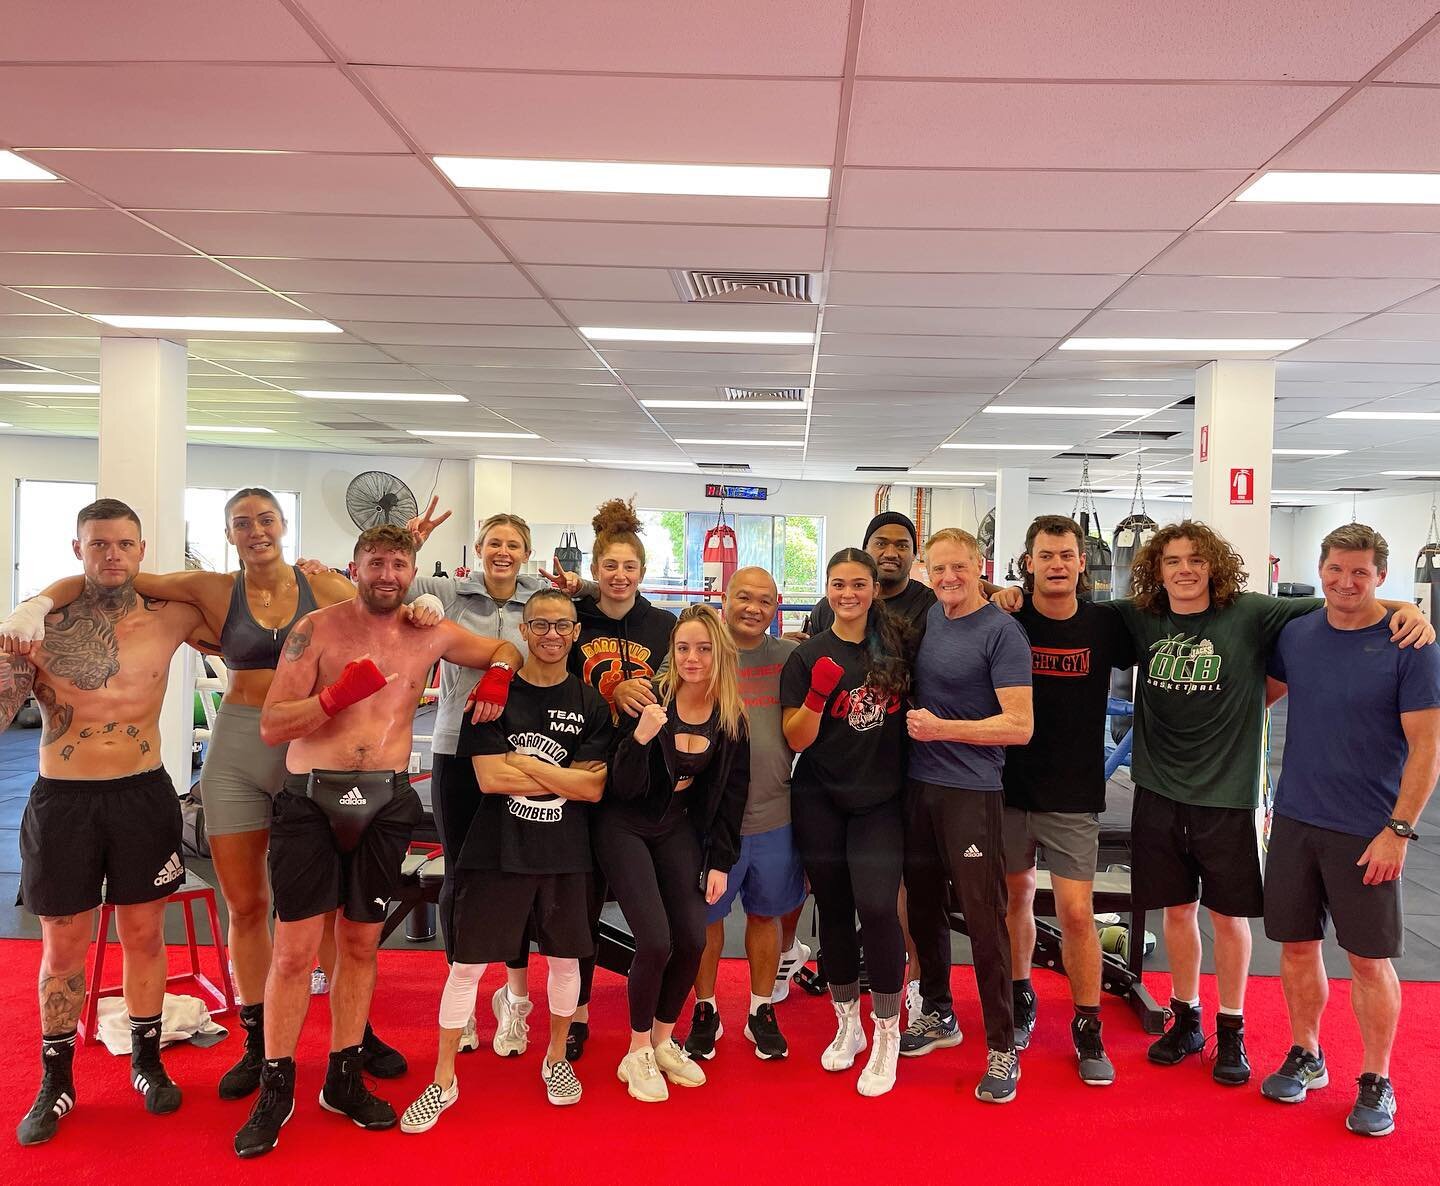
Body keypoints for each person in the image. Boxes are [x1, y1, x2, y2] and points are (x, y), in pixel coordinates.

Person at [16, 487, 425, 1100]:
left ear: (284, 524)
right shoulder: (209, 589)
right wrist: (35, 602)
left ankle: (354, 1034)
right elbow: (104, 575)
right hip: (237, 747)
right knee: (247, 905)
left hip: (308, 746)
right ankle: (258, 1042)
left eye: (265, 520)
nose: (255, 530)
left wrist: (417, 603)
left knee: (328, 910)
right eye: (241, 523)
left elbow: (385, 620)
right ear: (228, 532)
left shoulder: (328, 588)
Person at [1103, 520, 1430, 1086]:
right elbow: (1060, 611)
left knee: (1234, 921)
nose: (1185, 570)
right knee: (1182, 914)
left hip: (1235, 797)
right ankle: (1189, 1019)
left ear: (1214, 566)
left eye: (1197, 560)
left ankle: (1237, 1031)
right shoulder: (1140, 617)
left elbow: (1348, 604)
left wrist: (1409, 607)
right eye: (1173, 560)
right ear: (1157, 568)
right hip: (1162, 791)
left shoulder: (1255, 613)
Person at [233, 524, 521, 1158]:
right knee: (294, 952)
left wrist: (498, 678)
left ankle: (343, 1075)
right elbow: (274, 724)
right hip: (312, 799)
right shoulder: (318, 629)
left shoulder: (431, 632)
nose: (386, 575)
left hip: (385, 800)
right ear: (355, 566)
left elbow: (507, 650)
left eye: (398, 564)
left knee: (361, 944)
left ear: (412, 569)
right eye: (375, 563)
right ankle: (277, 1088)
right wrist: (333, 698)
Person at [0, 499, 206, 1145]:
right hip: (63, 800)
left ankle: (147, 1059)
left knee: (144, 935)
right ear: (77, 549)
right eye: (98, 544)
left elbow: (256, 621)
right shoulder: (42, 625)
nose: (111, 554)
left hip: (141, 793)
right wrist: (14, 636)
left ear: (142, 551)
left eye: (123, 543)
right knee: (63, 943)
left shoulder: (173, 617)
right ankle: (55, 1078)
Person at [400, 589, 613, 1130]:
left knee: (566, 962)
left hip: (565, 853)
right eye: (539, 624)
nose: (550, 635)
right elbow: (491, 778)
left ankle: (557, 1058)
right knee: (467, 966)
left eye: (561, 626)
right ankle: (442, 1080)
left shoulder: (590, 704)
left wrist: (525, 763)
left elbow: (593, 790)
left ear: (575, 634)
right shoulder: (492, 697)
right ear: (524, 631)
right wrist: (560, 776)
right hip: (497, 849)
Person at [1261, 523, 1440, 1137]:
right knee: (1296, 947)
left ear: (1381, 576)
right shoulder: (1298, 635)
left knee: (1367, 961)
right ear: (1321, 566)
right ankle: (1307, 1053)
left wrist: (1399, 830)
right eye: (1336, 569)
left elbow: (1427, 748)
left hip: (1367, 829)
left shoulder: (1408, 645)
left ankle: (1377, 1077)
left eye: (1360, 572)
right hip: (1295, 819)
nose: (1345, 582)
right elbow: (1262, 695)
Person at [397, 508, 573, 1060]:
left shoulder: (537, 598)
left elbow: (585, 610)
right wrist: (410, 539)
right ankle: (464, 999)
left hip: (520, 750)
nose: (503, 552)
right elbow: (388, 576)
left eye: (513, 544)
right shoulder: (449, 593)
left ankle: (514, 999)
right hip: (455, 746)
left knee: (515, 873)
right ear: (478, 549)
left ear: (526, 552)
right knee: (462, 871)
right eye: (493, 542)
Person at [1000, 515, 1134, 1085]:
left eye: (1066, 555)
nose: (1057, 564)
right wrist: (991, 592)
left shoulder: (1107, 625)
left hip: (1074, 794)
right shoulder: (1007, 620)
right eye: (1045, 555)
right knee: (1016, 903)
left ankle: (1087, 1023)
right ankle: (1020, 996)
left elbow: (1184, 622)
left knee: (1079, 914)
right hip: (1007, 788)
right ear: (1028, 563)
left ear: (1083, 564)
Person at [901, 528, 1033, 1104]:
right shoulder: (932, 617)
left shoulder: (1003, 632)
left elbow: (1020, 725)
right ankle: (938, 1013)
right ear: (925, 571)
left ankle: (1002, 1046)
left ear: (979, 566)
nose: (949, 578)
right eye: (938, 568)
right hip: (919, 788)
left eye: (959, 567)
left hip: (972, 792)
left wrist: (940, 729)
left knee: (983, 919)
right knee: (924, 907)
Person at [597, 604, 749, 1102]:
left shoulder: (730, 716)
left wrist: (721, 860)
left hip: (676, 826)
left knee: (692, 939)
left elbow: (731, 795)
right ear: (672, 652)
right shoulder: (647, 701)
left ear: (719, 653)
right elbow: (618, 787)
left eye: (704, 648)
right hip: (624, 824)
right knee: (656, 941)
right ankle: (636, 1049)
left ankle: (664, 1039)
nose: (693, 658)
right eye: (683, 648)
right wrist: (640, 740)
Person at [781, 548, 910, 1097]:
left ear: (874, 590)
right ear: (827, 589)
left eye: (859, 584)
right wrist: (816, 693)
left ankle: (887, 1032)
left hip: (881, 799)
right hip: (821, 798)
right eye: (839, 584)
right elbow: (795, 739)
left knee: (879, 908)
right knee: (833, 910)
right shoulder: (807, 655)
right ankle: (848, 1024)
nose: (849, 594)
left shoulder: (899, 649)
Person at [564, 497, 678, 1060]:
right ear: (594, 570)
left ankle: (655, 1022)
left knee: (650, 912)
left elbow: (678, 688)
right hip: (580, 767)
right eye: (609, 566)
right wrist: (608, 694)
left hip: (637, 779)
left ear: (642, 570)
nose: (619, 575)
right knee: (581, 904)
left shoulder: (661, 624)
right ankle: (578, 1012)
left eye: (629, 566)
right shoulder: (573, 617)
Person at [683, 568, 805, 1062]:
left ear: (777, 606)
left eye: (764, 600)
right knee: (707, 920)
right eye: (743, 598)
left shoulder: (790, 657)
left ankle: (760, 1011)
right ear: (724, 599)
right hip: (712, 821)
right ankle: (706, 1010)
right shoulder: (700, 656)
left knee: (766, 914)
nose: (753, 608)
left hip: (775, 812)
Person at [802, 512, 937, 638]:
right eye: (880, 544)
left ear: (914, 554)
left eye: (902, 546)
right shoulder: (830, 607)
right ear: (865, 549)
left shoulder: (932, 606)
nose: (890, 553)